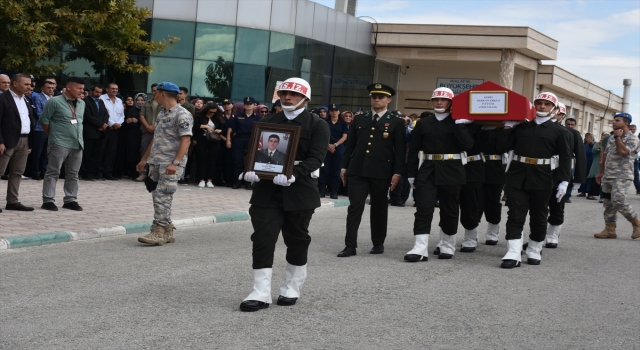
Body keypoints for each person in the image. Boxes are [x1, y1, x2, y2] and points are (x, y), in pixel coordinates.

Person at [238, 77, 330, 312]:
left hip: (299, 190)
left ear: (305, 99)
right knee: (263, 238)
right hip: (267, 190)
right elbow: (253, 151)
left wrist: (294, 173)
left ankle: (291, 287)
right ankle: (260, 293)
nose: (288, 97)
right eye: (284, 93)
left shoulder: (317, 124)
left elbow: (316, 158)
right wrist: (250, 170)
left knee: (297, 239)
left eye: (294, 94)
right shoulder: (267, 121)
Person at [496, 92, 571, 268]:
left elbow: (566, 158)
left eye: (546, 104)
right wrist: (507, 128)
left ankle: (534, 248)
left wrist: (564, 181)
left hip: (543, 176)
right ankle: (513, 251)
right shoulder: (521, 127)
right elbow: (501, 147)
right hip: (517, 175)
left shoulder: (561, 132)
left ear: (554, 108)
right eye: (539, 103)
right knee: (515, 213)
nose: (542, 107)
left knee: (539, 214)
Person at [403, 87, 474, 262]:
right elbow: (414, 150)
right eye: (435, 99)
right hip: (428, 169)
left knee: (449, 209)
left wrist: (460, 125)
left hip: (452, 169)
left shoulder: (459, 122)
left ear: (451, 102)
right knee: (423, 208)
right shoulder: (424, 123)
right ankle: (420, 248)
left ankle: (447, 244)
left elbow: (468, 146)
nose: (439, 102)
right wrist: (411, 173)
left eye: (443, 100)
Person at [337, 83, 406, 257]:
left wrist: (397, 173)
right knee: (355, 207)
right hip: (357, 169)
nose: (376, 99)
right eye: (374, 96)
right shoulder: (360, 119)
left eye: (381, 97)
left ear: (388, 100)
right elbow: (350, 145)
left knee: (379, 207)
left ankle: (378, 242)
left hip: (381, 171)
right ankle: (350, 245)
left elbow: (399, 150)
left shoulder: (396, 123)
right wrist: (344, 167)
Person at [136, 82, 193, 245]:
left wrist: (175, 163)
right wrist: (144, 159)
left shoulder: (182, 114)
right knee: (157, 195)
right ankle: (168, 228)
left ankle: (158, 231)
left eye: (156, 93)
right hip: (156, 161)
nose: (154, 95)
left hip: (170, 163)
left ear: (163, 94)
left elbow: (186, 140)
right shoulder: (162, 113)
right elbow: (156, 138)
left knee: (163, 195)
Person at [40, 77, 86, 211]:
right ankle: (48, 200)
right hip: (59, 142)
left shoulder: (82, 103)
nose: (82, 91)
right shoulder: (54, 102)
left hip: (77, 143)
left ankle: (70, 199)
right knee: (53, 171)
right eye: (79, 88)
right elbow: (44, 121)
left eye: (82, 88)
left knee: (73, 173)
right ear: (69, 87)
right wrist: (55, 136)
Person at [543, 102, 586, 248]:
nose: (556, 116)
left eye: (559, 114)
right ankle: (538, 234)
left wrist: (579, 178)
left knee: (557, 206)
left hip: (560, 174)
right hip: (541, 174)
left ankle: (553, 234)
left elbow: (580, 155)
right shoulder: (540, 128)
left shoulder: (571, 133)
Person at [594, 113, 640, 240]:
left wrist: (619, 137)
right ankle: (610, 230)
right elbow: (607, 156)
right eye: (614, 120)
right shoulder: (611, 138)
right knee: (608, 203)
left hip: (623, 175)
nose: (614, 122)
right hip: (608, 175)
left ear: (626, 123)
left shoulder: (633, 139)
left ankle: (637, 223)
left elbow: (624, 152)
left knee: (618, 201)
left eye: (617, 120)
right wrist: (600, 172)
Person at [0, 73, 36, 212]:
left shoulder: (26, 100)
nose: (30, 86)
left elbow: (29, 121)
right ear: (15, 84)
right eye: (26, 84)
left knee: (17, 172)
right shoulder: (3, 99)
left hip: (24, 140)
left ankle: (12, 201)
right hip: (7, 141)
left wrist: (30, 143)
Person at [26, 77, 56, 180]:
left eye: (52, 88)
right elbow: (39, 113)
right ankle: (35, 171)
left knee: (46, 153)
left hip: (52, 129)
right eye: (48, 88)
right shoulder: (38, 97)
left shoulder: (54, 99)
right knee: (37, 152)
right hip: (40, 128)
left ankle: (44, 171)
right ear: (42, 88)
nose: (51, 89)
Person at [227, 96, 259, 189]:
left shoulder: (258, 117)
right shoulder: (238, 116)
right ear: (244, 105)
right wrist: (228, 140)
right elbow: (231, 129)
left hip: (252, 140)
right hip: (239, 139)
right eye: (246, 104)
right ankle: (237, 182)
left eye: (250, 104)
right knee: (238, 161)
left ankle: (248, 182)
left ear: (254, 106)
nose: (248, 106)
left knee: (250, 161)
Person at [318, 103, 349, 199]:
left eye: (336, 110)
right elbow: (321, 135)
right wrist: (328, 146)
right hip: (326, 146)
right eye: (332, 110)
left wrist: (335, 145)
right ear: (329, 112)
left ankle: (334, 191)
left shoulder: (343, 123)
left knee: (336, 170)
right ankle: (322, 190)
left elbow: (344, 136)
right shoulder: (324, 122)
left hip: (338, 146)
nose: (334, 112)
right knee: (324, 169)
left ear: (339, 112)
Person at [80, 85, 109, 181]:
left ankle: (93, 172)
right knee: (88, 154)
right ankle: (86, 173)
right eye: (97, 92)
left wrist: (104, 124)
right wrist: (100, 124)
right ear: (91, 91)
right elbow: (87, 116)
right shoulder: (85, 101)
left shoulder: (101, 101)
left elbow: (106, 114)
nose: (99, 94)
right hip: (90, 132)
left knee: (97, 154)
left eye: (100, 92)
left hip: (100, 132)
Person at [193, 102, 223, 188]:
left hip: (214, 140)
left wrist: (219, 130)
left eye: (214, 112)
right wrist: (204, 126)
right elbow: (193, 126)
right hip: (202, 140)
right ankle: (201, 179)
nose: (212, 113)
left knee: (212, 160)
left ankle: (210, 179)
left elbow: (224, 127)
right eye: (211, 112)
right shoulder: (199, 116)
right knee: (202, 159)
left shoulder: (217, 118)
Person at [135, 83, 161, 182]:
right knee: (144, 150)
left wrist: (156, 127)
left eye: (157, 90)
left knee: (158, 152)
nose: (155, 92)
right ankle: (142, 173)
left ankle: (155, 175)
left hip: (159, 132)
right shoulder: (147, 103)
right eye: (153, 90)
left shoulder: (164, 104)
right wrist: (147, 126)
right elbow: (141, 116)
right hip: (147, 131)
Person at [98, 83, 124, 180]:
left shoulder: (119, 100)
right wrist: (112, 123)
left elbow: (122, 115)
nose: (114, 90)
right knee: (101, 151)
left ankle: (108, 172)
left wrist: (118, 124)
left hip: (116, 129)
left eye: (116, 89)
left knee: (111, 152)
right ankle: (99, 172)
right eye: (112, 89)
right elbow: (103, 114)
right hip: (105, 128)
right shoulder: (102, 99)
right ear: (107, 89)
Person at [122, 93, 145, 179]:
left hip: (143, 133)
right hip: (132, 134)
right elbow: (127, 122)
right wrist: (131, 121)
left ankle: (142, 172)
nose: (140, 102)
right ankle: (132, 172)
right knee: (132, 152)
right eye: (138, 100)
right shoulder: (131, 110)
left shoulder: (146, 110)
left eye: (142, 100)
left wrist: (137, 122)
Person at [218, 98, 235, 187]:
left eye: (228, 104)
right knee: (220, 161)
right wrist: (224, 139)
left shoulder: (236, 116)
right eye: (224, 104)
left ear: (232, 105)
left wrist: (230, 140)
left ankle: (229, 180)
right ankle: (220, 180)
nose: (226, 106)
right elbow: (216, 129)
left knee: (230, 161)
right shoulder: (220, 116)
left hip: (233, 141)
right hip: (220, 140)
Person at [586, 132, 608, 201]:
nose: (605, 137)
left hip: (607, 163)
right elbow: (594, 150)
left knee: (603, 180)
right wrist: (600, 143)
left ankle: (602, 195)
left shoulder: (610, 144)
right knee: (595, 178)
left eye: (606, 136)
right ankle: (591, 194)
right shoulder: (597, 143)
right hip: (597, 163)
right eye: (604, 136)